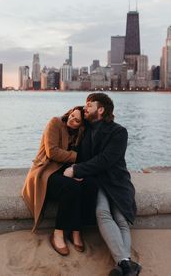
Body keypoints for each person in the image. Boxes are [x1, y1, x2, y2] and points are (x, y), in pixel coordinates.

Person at [64, 93, 142, 276]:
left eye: (89, 105)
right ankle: (126, 265)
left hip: (117, 182)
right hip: (97, 182)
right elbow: (80, 153)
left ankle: (123, 264)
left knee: (121, 219)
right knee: (102, 212)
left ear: (101, 110)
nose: (85, 108)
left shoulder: (119, 132)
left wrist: (77, 170)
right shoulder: (86, 132)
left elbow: (105, 160)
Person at [22, 106, 98, 256]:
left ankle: (76, 230)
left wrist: (77, 169)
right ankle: (58, 233)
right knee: (71, 188)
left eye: (77, 120)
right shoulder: (55, 122)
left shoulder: (81, 134)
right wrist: (77, 158)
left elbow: (86, 154)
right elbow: (53, 152)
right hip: (45, 172)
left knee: (89, 184)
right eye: (72, 115)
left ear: (82, 125)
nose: (72, 120)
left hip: (66, 171)